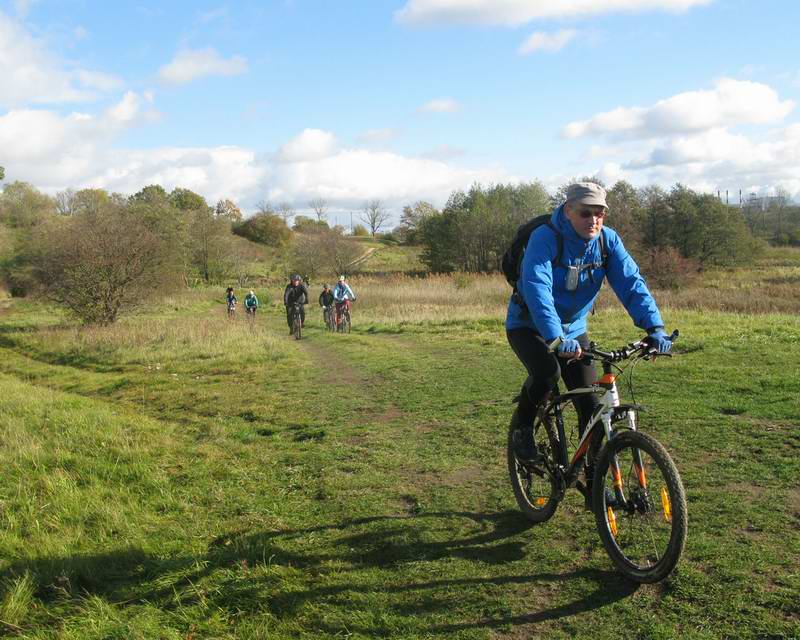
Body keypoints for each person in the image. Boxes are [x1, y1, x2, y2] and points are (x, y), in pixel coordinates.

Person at [506, 182, 673, 464]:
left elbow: (631, 283)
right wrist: (555, 337)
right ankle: (522, 428)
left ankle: (595, 479)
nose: (593, 220)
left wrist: (654, 328)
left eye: (599, 213)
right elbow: (538, 289)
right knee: (547, 373)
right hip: (529, 325)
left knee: (592, 406)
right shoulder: (545, 238)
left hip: (574, 330)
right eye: (585, 213)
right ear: (568, 210)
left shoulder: (608, 241)